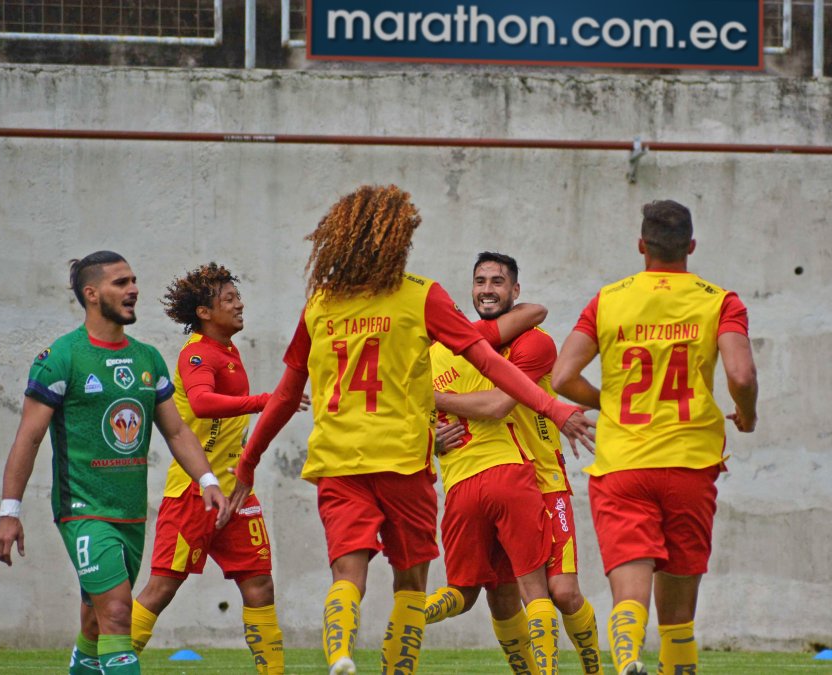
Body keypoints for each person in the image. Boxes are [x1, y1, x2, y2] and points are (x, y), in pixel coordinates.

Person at [227, 185, 594, 675]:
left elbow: (287, 394)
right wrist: (553, 407)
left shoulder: (319, 305)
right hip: (406, 460)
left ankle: (338, 653)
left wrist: (247, 462)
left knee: (347, 574)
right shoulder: (420, 295)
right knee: (416, 583)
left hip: (339, 461)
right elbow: (491, 362)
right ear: (397, 240)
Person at [0, 251, 229, 675]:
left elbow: (175, 431)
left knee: (95, 621)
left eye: (134, 280)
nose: (133, 289)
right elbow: (28, 437)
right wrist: (10, 511)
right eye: (121, 282)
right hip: (82, 511)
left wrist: (207, 479)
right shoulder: (61, 357)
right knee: (119, 614)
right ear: (91, 293)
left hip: (132, 514)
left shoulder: (148, 359)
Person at [551, 200, 758, 675]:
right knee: (679, 615)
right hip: (690, 463)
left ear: (642, 246)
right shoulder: (719, 300)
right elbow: (741, 375)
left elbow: (562, 377)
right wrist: (746, 415)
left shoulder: (608, 299)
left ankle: (626, 658)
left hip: (624, 464)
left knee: (630, 587)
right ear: (690, 246)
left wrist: (614, 402)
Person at [425, 252, 600, 675]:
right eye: (480, 281)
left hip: (542, 479)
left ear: (514, 290)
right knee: (501, 596)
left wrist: (431, 403)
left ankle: (595, 667)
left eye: (498, 282)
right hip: (499, 475)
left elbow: (501, 402)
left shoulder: (533, 341)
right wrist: (433, 440)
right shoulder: (461, 344)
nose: (487, 289)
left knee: (562, 592)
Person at [130, 263, 306, 674]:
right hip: (192, 494)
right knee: (160, 590)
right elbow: (204, 402)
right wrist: (267, 399)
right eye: (228, 299)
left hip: (236, 494)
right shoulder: (196, 353)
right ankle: (110, 665)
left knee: (260, 585)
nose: (239, 303)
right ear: (205, 313)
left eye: (237, 296)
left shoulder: (228, 349)